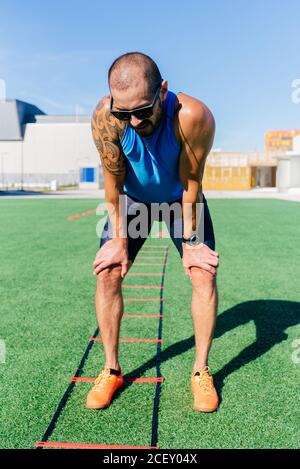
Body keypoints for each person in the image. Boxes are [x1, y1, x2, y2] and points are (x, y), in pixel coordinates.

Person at [86, 52, 220, 413]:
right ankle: (111, 369)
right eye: (124, 112)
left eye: (143, 110)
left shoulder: (193, 116)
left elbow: (191, 182)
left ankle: (200, 372)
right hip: (133, 200)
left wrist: (192, 244)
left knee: (203, 273)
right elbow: (112, 184)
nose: (134, 120)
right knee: (107, 272)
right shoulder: (106, 118)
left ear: (162, 91)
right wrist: (118, 241)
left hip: (181, 199)